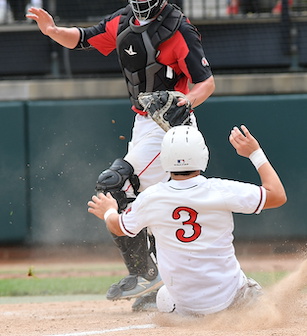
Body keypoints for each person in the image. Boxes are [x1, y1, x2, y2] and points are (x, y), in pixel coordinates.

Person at [27, 0, 215, 311]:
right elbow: (83, 37)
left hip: (171, 129)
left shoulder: (179, 29)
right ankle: (160, 286)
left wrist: (186, 101)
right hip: (143, 123)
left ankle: (146, 274)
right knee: (151, 203)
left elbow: (206, 83)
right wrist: (51, 30)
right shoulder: (124, 22)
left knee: (115, 184)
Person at [87, 124, 287, 316]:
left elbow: (118, 227)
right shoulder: (220, 189)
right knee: (259, 302)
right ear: (203, 155)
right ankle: (246, 304)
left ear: (164, 157)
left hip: (185, 304)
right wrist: (255, 153)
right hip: (229, 296)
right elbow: (278, 195)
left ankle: (190, 317)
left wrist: (109, 211)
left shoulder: (151, 197)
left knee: (164, 297)